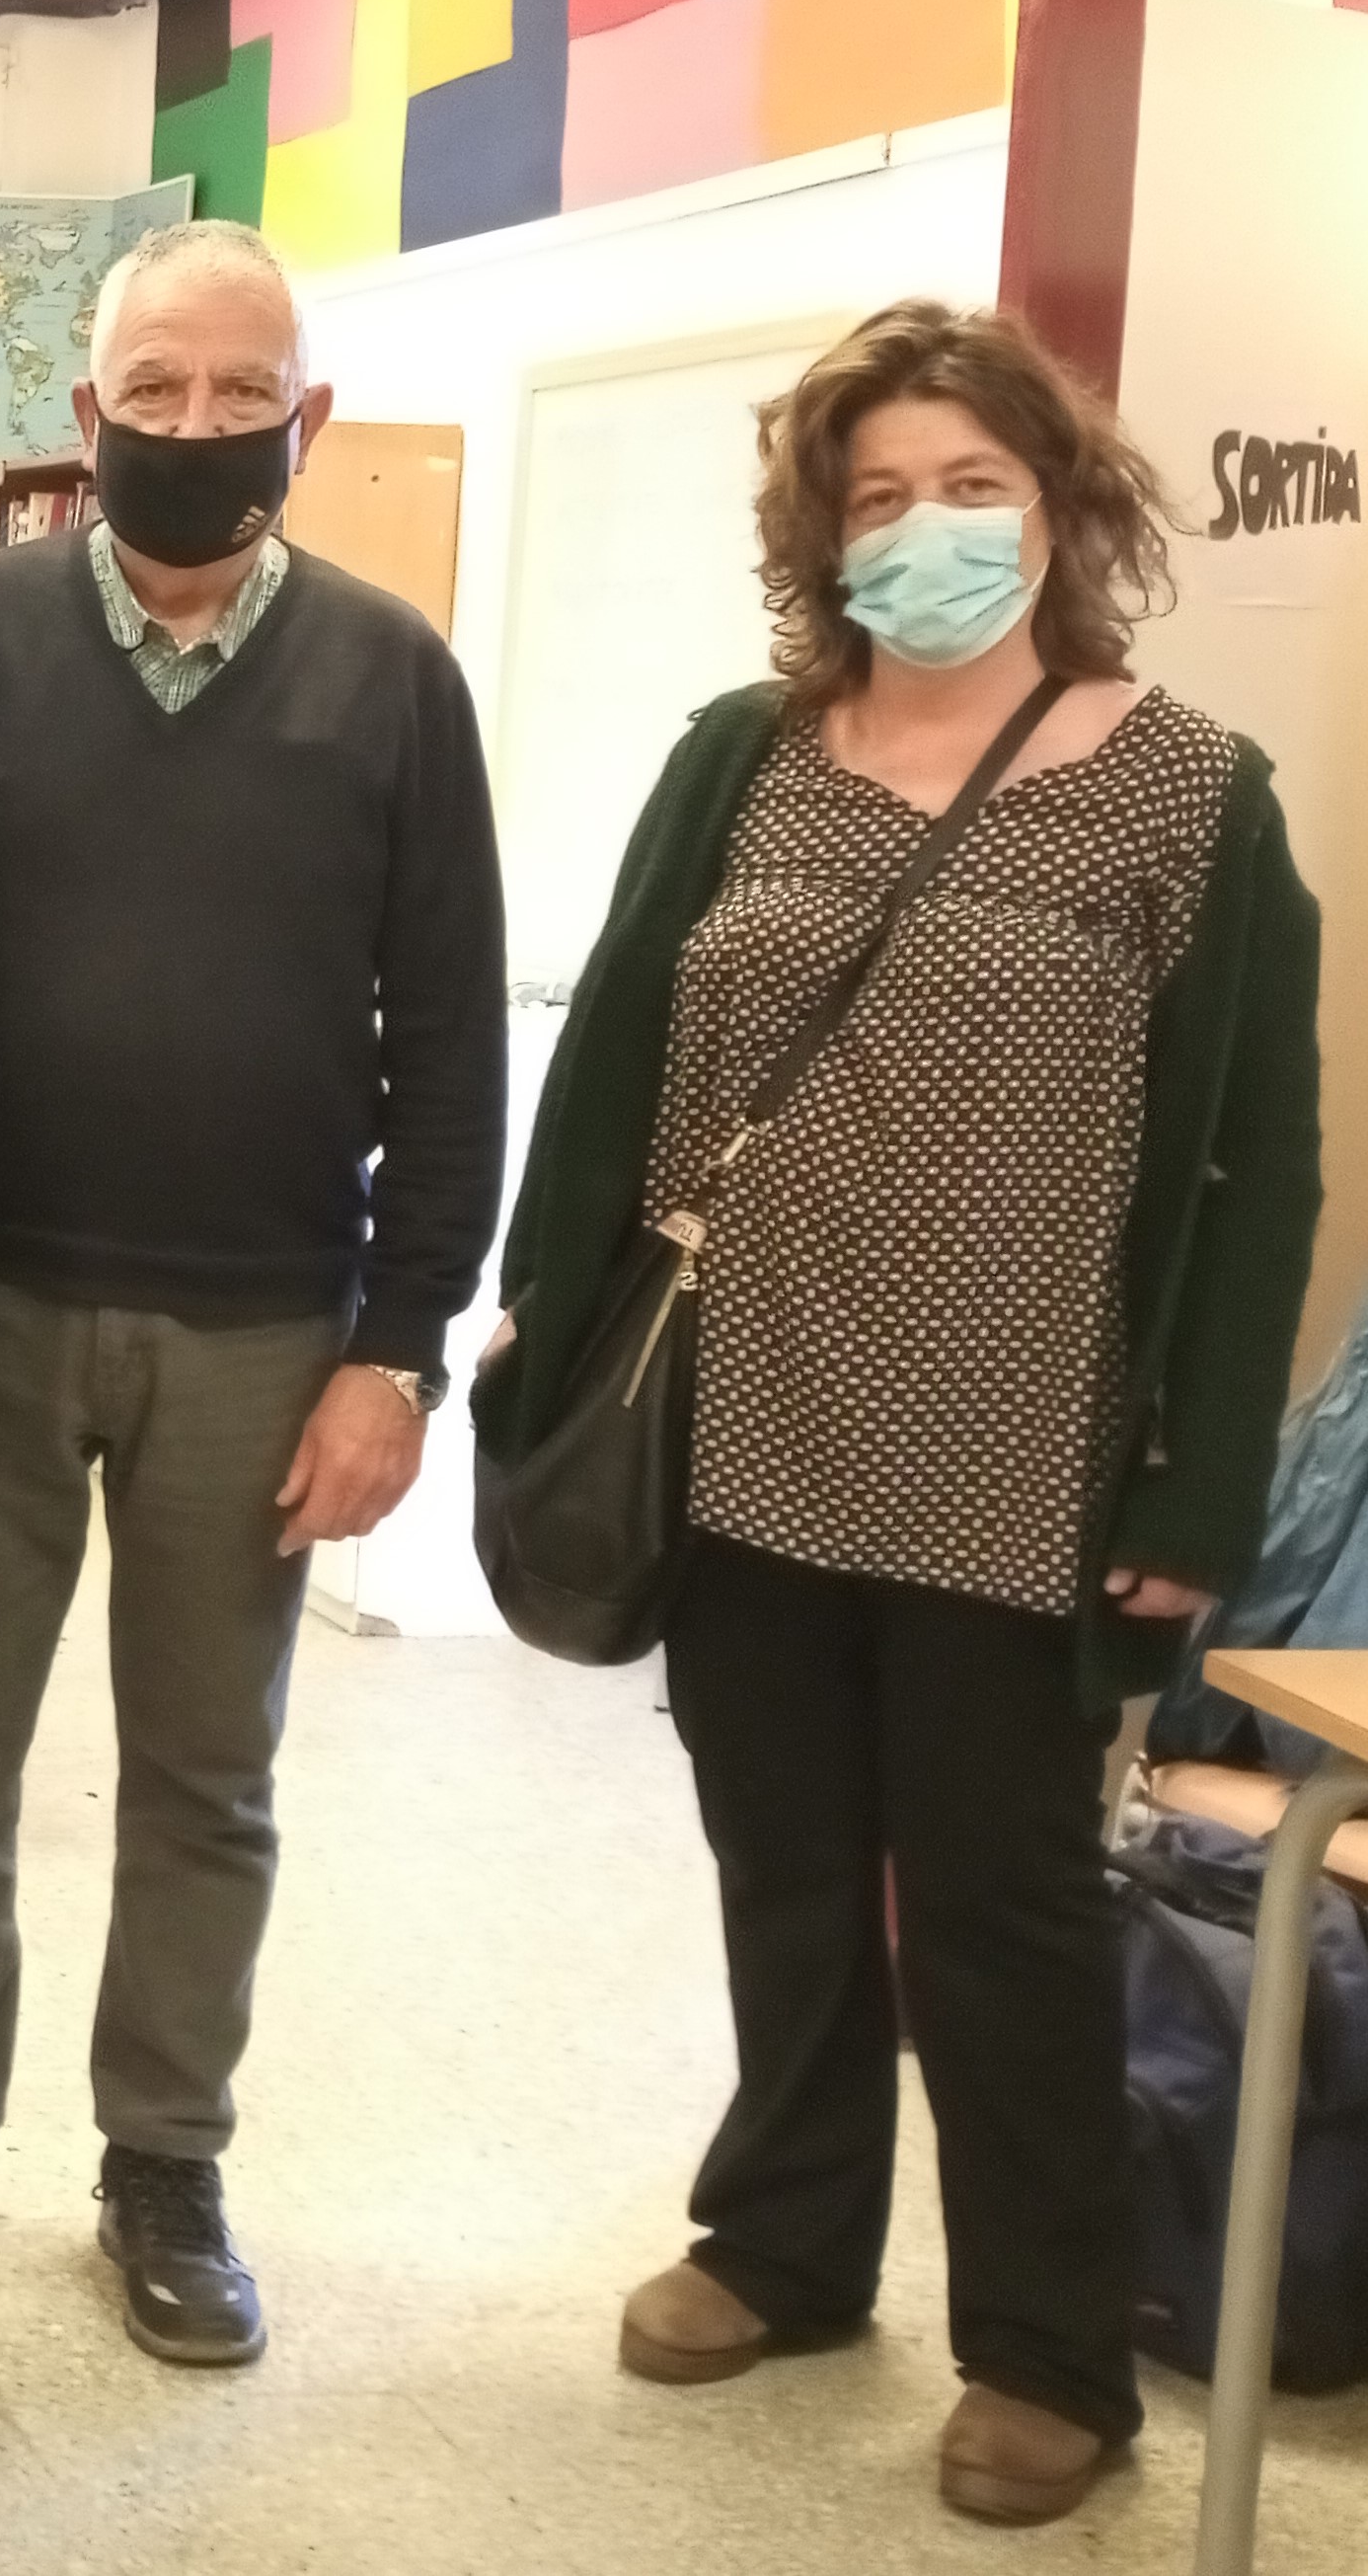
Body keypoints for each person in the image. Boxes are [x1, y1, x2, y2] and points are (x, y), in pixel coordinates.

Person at [480, 299, 1324, 2526]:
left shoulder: (1192, 793)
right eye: (880, 497)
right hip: (742, 1413)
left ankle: (1049, 2347)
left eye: (973, 486)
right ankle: (786, 2241)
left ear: (1059, 509)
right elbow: (620, 1049)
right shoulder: (742, 757)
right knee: (778, 1857)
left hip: (1019, 1456)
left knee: (1000, 1901)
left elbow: (1260, 1170)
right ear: (822, 536)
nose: (927, 528)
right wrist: (542, 1314)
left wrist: (1199, 1490)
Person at [0, 215, 507, 2366]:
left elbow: (454, 1044)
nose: (197, 424)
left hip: (264, 1331)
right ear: (87, 412)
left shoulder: (393, 677)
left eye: (242, 392)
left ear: (307, 420)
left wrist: (400, 1355)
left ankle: (164, 2162)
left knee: (210, 1774)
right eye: (157, 389)